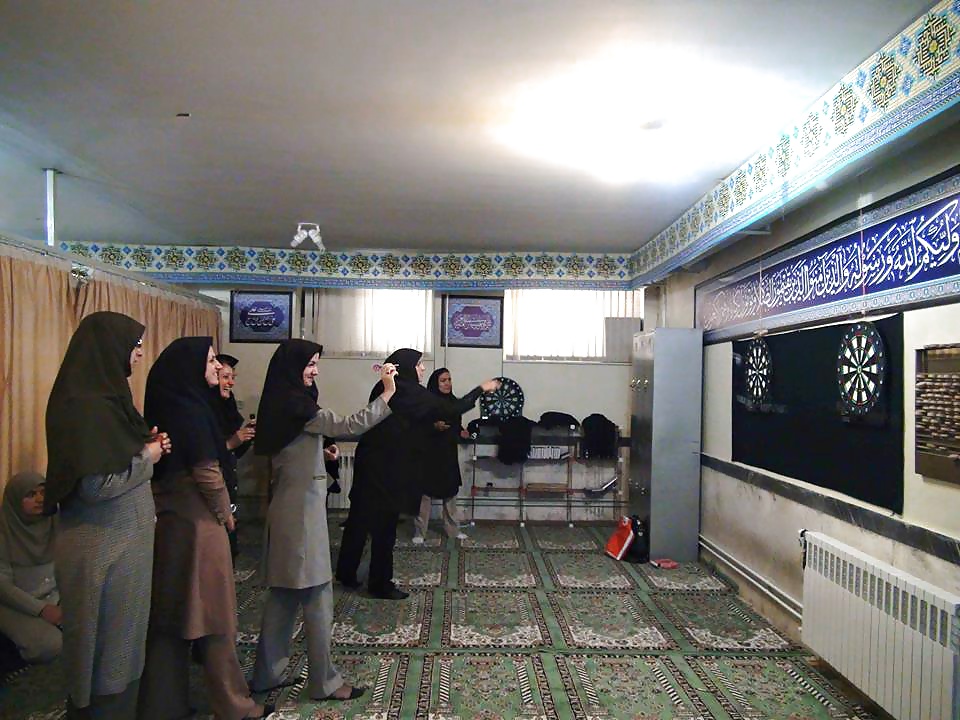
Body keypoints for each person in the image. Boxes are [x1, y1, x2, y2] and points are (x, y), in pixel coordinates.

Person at [251, 340, 396, 701]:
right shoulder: (295, 405)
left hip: (288, 509)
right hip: (300, 515)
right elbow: (350, 425)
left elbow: (294, 447)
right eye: (310, 364)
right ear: (293, 367)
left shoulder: (282, 400)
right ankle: (325, 682)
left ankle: (267, 675)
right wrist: (388, 392)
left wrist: (319, 452)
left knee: (283, 598)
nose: (315, 371)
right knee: (318, 598)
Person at [45, 311, 170, 719]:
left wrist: (144, 445)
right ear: (109, 348)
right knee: (108, 654)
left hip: (118, 544)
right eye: (135, 345)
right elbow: (96, 485)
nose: (139, 354)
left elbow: (115, 452)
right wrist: (148, 456)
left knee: (119, 648)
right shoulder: (86, 406)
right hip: (104, 549)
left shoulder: (105, 398)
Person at [138, 338, 265, 720]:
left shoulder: (172, 403)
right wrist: (227, 516)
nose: (217, 367)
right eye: (210, 361)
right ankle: (234, 706)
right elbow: (207, 471)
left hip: (173, 521)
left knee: (171, 617)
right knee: (215, 617)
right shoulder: (191, 410)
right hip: (199, 522)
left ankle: (163, 704)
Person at [335, 349, 498, 600]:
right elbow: (451, 408)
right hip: (385, 468)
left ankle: (346, 573)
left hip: (371, 462)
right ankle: (379, 584)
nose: (423, 369)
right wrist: (481, 389)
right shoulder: (406, 391)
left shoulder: (388, 387)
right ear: (406, 367)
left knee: (359, 520)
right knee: (384, 526)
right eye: (419, 364)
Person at [0, 472, 61, 664]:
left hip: (54, 598)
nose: (40, 499)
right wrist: (41, 609)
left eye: (43, 492)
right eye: (31, 494)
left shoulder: (54, 520)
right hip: (13, 603)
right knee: (51, 645)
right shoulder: (4, 529)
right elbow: (3, 587)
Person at [414, 368, 473, 543]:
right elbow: (416, 426)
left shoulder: (453, 403)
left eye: (449, 379)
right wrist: (434, 426)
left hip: (447, 453)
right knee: (424, 494)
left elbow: (455, 425)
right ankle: (419, 532)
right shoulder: (426, 403)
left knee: (450, 492)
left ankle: (453, 530)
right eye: (443, 380)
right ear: (435, 383)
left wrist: (461, 432)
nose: (447, 383)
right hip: (429, 453)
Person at [213, 353, 256, 559]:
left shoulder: (227, 406)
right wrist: (231, 442)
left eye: (232, 377)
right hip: (212, 486)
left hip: (229, 481)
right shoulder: (203, 410)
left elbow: (234, 452)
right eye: (225, 377)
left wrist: (245, 436)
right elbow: (201, 453)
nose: (230, 383)